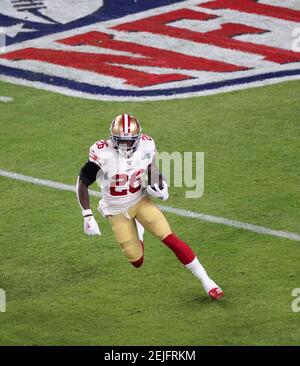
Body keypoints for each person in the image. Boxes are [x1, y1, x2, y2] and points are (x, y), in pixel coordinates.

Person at [76, 114, 224, 299]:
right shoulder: (102, 153)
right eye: (120, 142)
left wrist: (160, 185)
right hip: (116, 210)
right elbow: (82, 182)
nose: (125, 146)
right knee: (137, 261)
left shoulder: (146, 145)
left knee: (170, 238)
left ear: (138, 139)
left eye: (129, 142)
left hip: (140, 200)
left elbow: (151, 169)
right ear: (112, 139)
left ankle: (207, 281)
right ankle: (138, 229)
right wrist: (87, 215)